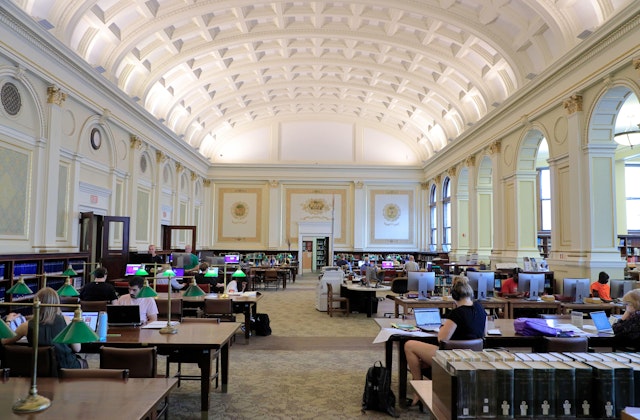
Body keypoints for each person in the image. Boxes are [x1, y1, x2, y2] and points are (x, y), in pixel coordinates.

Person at [404, 276, 486, 406]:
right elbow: (483, 333)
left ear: (454, 296)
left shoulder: (457, 313)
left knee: (409, 345)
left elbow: (441, 339)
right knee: (422, 363)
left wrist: (443, 326)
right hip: (471, 357)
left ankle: (417, 390)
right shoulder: (481, 309)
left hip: (451, 356)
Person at [1, 287, 84, 369]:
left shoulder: (26, 326)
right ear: (57, 303)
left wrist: (8, 321)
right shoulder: (67, 320)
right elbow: (77, 349)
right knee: (83, 362)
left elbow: (4, 341)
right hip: (65, 369)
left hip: (39, 371)